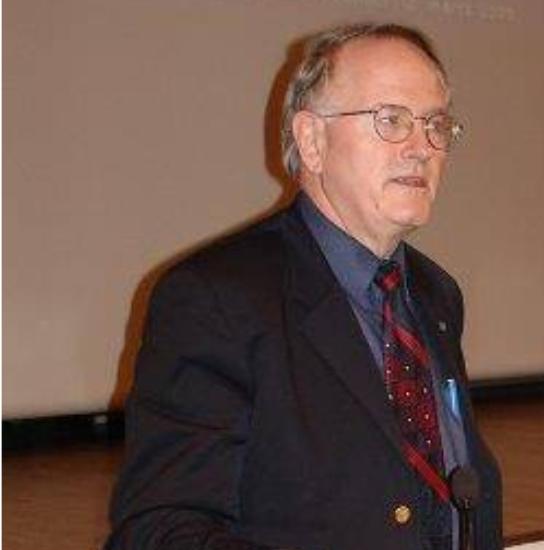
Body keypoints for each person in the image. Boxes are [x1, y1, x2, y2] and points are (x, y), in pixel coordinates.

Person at [106, 22, 502, 550]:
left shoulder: (435, 294)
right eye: (391, 120)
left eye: (436, 124)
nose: (421, 147)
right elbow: (161, 530)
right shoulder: (216, 298)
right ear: (312, 141)